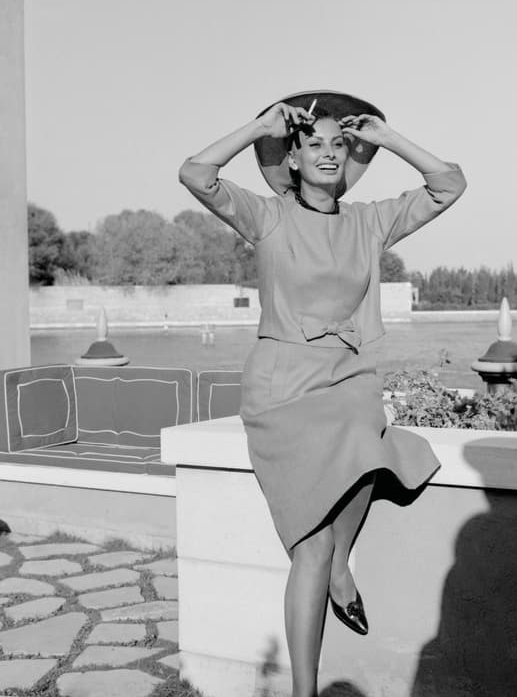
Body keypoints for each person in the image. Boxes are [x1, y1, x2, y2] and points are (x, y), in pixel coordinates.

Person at [179, 90, 466, 697]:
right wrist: (257, 125)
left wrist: (387, 139)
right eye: (314, 143)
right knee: (308, 548)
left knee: (370, 446)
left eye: (340, 144)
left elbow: (448, 184)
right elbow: (196, 174)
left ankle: (342, 566)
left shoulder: (369, 220)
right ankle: (303, 690)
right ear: (292, 158)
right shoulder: (269, 216)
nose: (329, 154)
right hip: (283, 387)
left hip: (347, 380)